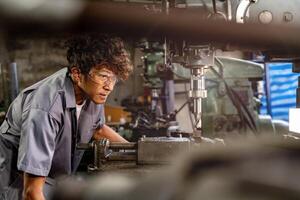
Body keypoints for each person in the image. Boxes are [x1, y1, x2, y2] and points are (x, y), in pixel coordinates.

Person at [0, 34, 133, 200]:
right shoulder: (45, 108)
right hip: (17, 186)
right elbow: (31, 192)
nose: (110, 87)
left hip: (53, 180)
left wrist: (136, 152)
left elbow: (97, 129)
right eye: (104, 76)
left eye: (114, 78)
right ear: (77, 74)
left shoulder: (92, 94)